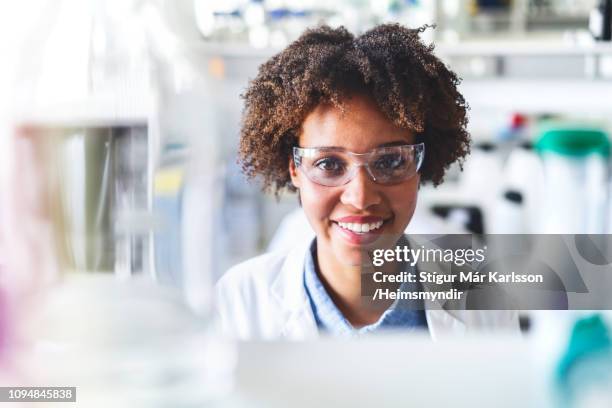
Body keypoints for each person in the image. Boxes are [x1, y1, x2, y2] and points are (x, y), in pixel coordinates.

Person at [215, 23, 519, 339]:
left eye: (389, 162)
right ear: (295, 169)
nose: (360, 198)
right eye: (329, 164)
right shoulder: (238, 303)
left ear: (419, 166)